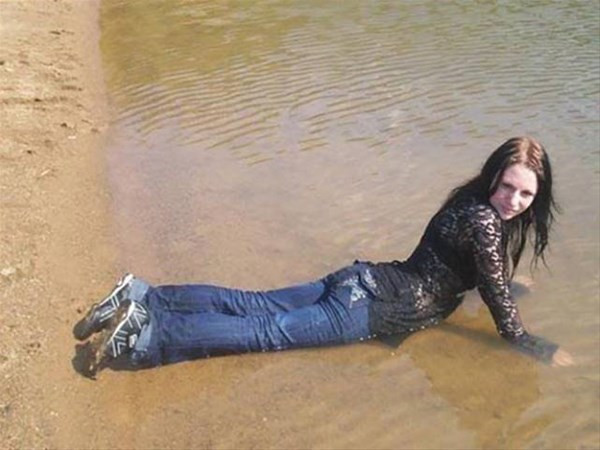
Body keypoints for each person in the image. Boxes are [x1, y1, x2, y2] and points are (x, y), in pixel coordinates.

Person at [73, 137, 574, 369]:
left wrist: (507, 284)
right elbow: (497, 302)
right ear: (494, 177)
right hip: (373, 308)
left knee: (253, 304)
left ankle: (142, 295)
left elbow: (466, 269)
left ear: (537, 195)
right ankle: (146, 334)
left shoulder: (468, 201)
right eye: (508, 186)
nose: (514, 200)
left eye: (525, 194)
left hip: (362, 279)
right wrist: (533, 346)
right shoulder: (486, 222)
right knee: (264, 332)